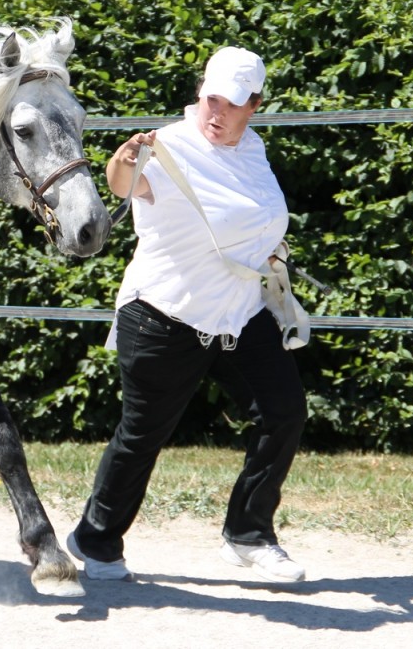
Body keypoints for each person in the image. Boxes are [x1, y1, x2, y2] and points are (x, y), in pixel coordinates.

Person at [66, 46, 308, 584]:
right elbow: (124, 184)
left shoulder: (253, 150)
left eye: (232, 104)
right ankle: (95, 539)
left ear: (256, 106)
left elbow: (256, 214)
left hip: (239, 315)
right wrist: (123, 161)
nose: (217, 113)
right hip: (163, 316)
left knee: (284, 412)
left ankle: (248, 535)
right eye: (211, 99)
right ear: (201, 93)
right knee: (143, 435)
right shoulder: (168, 145)